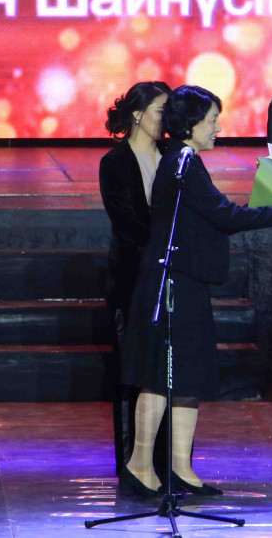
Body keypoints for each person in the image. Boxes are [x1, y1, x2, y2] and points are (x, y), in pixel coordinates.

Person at [119, 85, 272, 498]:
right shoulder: (183, 162)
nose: (218, 128)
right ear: (190, 124)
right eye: (212, 120)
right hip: (171, 282)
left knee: (188, 375)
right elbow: (224, 215)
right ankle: (139, 465)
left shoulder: (186, 161)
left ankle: (180, 468)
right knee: (160, 376)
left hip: (188, 280)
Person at [99, 81, 171, 476]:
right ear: (138, 114)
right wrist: (168, 239)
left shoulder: (175, 157)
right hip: (133, 281)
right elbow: (127, 222)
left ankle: (170, 465)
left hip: (172, 279)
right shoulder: (114, 163)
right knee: (132, 374)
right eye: (161, 109)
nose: (167, 118)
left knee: (170, 373)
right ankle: (132, 465)